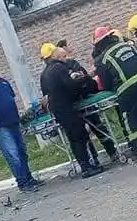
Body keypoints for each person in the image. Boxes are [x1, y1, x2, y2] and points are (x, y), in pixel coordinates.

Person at [92, 26, 137, 159]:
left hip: (127, 87)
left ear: (98, 44)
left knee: (131, 118)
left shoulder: (103, 58)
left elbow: (105, 84)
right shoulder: (127, 46)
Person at [0, 59, 40, 192]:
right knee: (13, 155)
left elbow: (10, 100)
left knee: (22, 152)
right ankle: (23, 183)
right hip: (0, 126)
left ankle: (29, 178)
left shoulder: (4, 83)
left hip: (14, 123)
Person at [40, 43, 105, 178]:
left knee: (73, 138)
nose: (65, 58)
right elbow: (70, 86)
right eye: (62, 55)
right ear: (54, 55)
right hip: (66, 107)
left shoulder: (44, 74)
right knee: (79, 136)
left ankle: (85, 165)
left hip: (58, 109)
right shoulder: (58, 68)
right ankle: (87, 167)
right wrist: (83, 80)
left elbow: (46, 93)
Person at [56, 39, 118, 166]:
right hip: (78, 102)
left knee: (97, 127)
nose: (66, 57)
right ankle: (97, 157)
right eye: (63, 55)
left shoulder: (69, 65)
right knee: (88, 132)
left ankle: (110, 152)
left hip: (82, 100)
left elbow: (83, 76)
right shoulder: (63, 67)